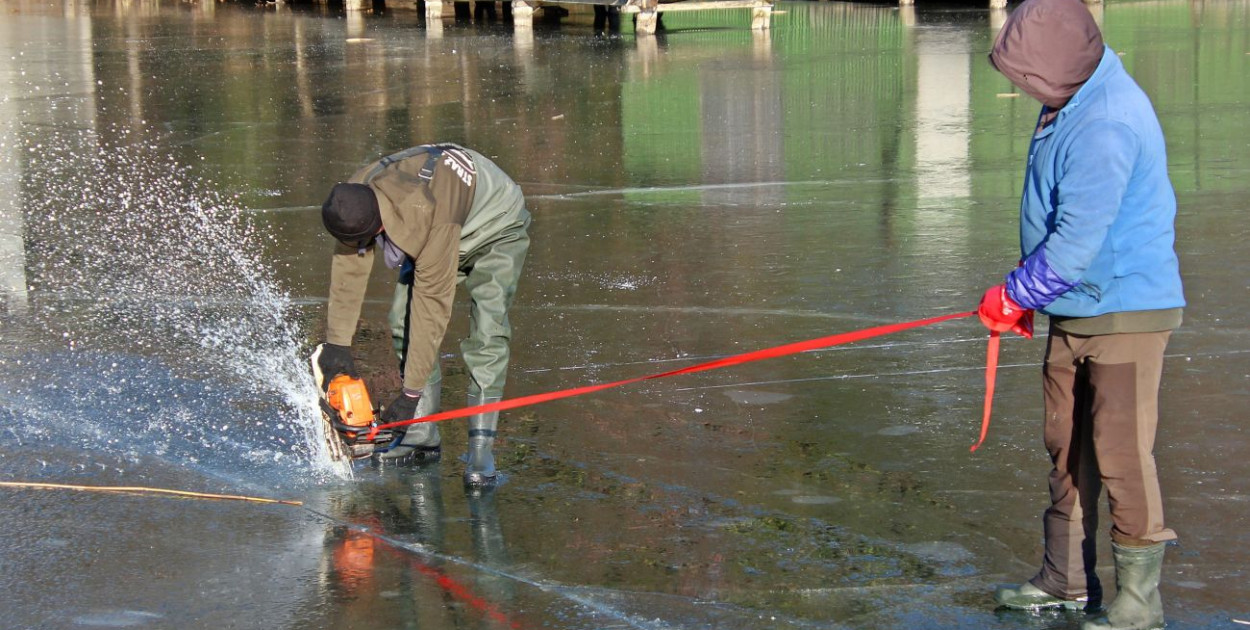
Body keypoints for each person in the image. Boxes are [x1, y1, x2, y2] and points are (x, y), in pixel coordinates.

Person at [976, 1, 1185, 629]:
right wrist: (1031, 295)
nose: (1021, 87)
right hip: (1075, 307)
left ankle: (1139, 601)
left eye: (1027, 74)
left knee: (1120, 454)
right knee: (1066, 447)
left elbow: (1074, 242)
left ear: (1057, 62)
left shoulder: (1106, 123)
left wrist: (1016, 295)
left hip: (1127, 312)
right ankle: (1065, 580)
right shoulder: (1070, 95)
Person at [315, 143, 531, 487]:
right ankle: (422, 435)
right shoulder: (352, 196)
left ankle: (481, 447)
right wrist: (337, 344)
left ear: (379, 227)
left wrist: (409, 395)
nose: (362, 250)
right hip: (442, 215)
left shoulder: (427, 215)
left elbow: (431, 309)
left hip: (495, 224)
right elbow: (348, 268)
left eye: (366, 243)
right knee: (401, 318)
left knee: (487, 334)